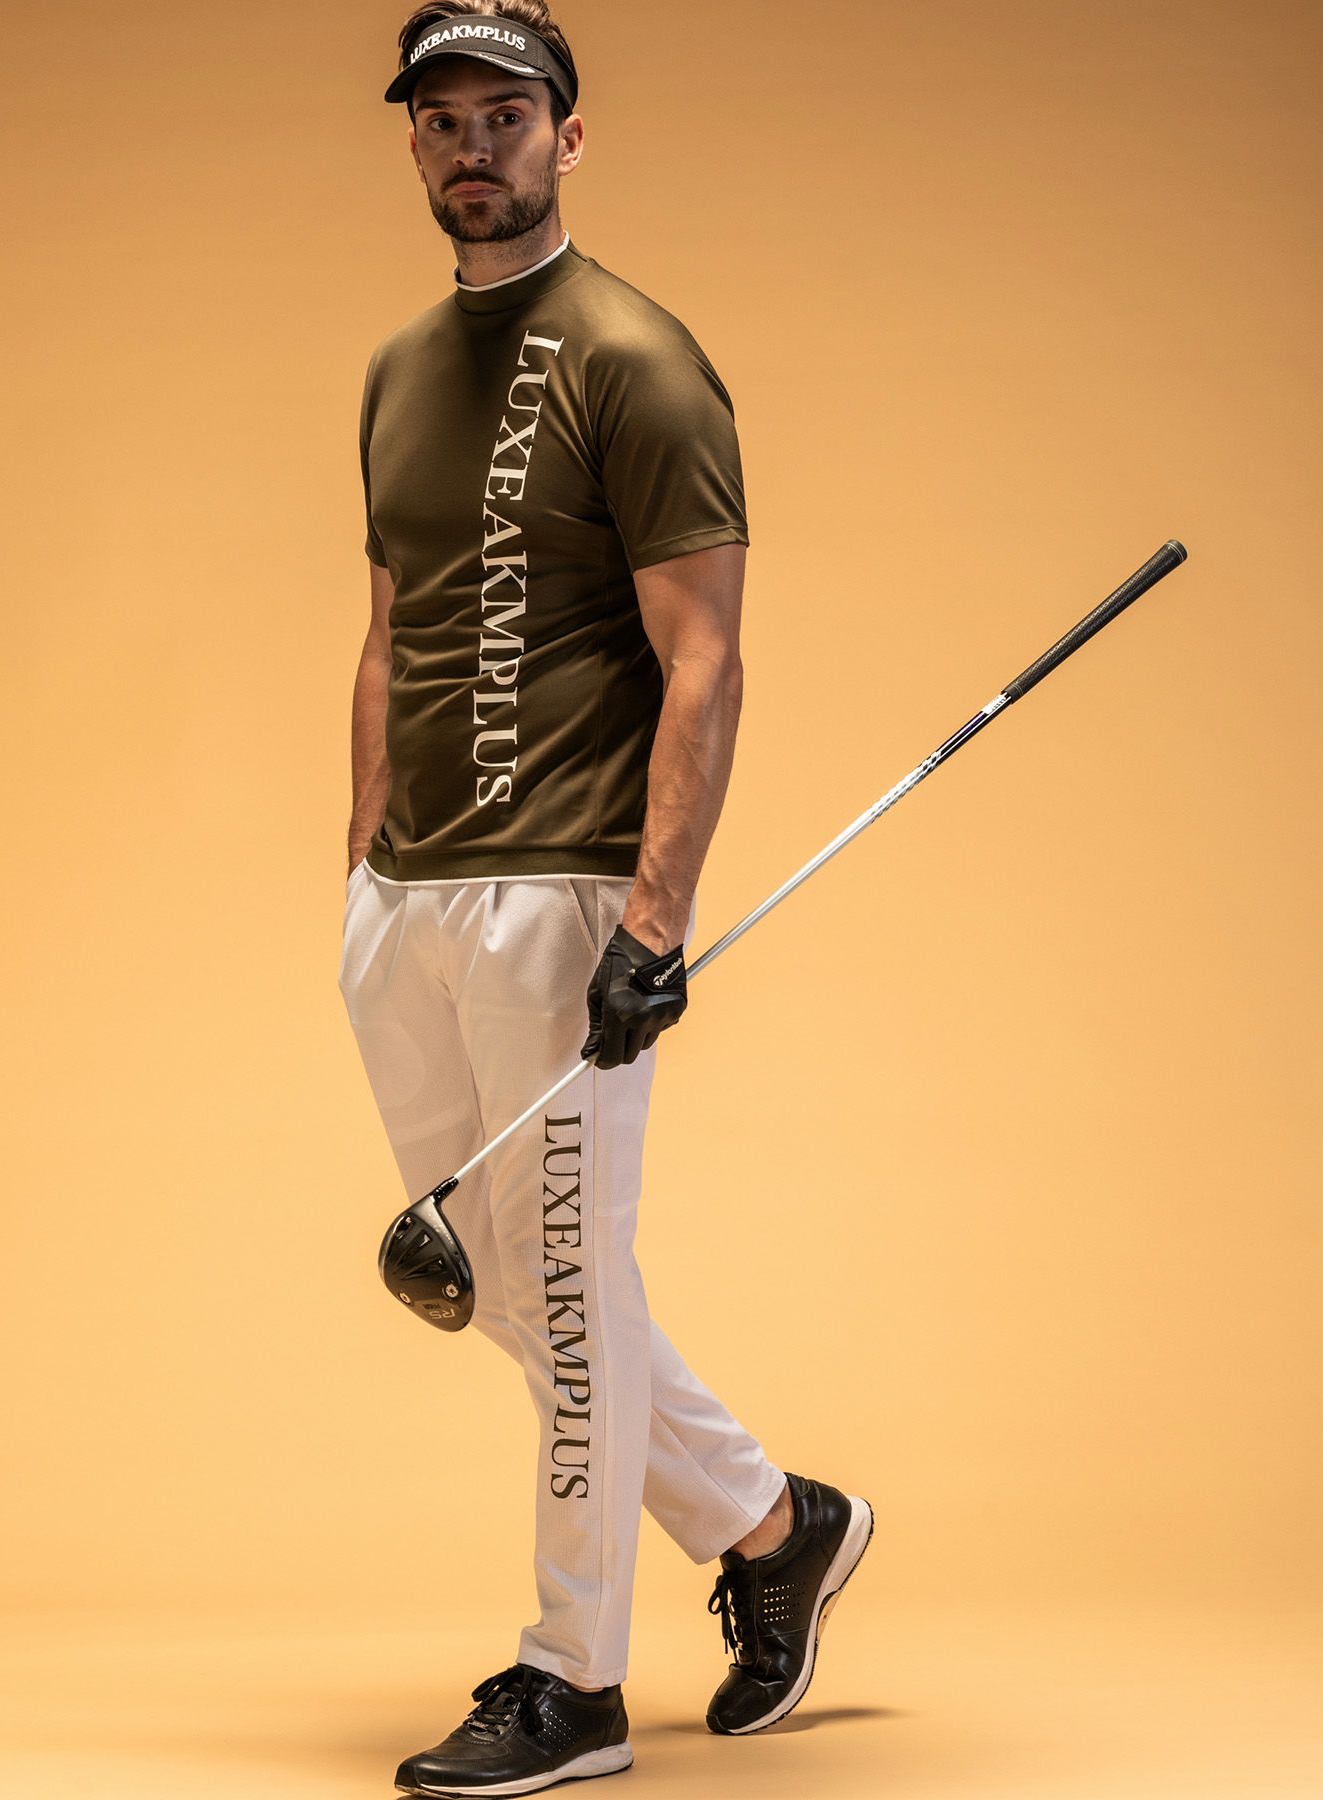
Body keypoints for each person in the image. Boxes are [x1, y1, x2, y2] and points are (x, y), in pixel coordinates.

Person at [338, 4, 872, 1791]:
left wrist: (654, 918)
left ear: (569, 134)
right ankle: (775, 1525)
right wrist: (361, 854)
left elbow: (704, 655)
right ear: (414, 143)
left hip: (562, 891)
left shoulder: (639, 359)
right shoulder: (398, 369)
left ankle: (572, 1681)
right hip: (409, 902)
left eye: (505, 113)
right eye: (440, 119)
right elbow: (394, 620)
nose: (470, 145)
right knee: (497, 1279)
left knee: (566, 1290)